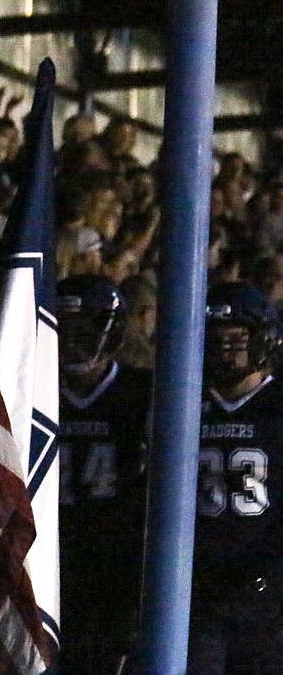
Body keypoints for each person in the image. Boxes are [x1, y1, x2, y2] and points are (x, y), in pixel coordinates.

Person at [55, 274, 151, 675]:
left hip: (115, 560)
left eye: (85, 330)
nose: (74, 340)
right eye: (67, 329)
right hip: (53, 550)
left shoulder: (143, 392)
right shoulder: (33, 388)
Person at [189, 282, 283, 674]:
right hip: (200, 589)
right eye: (215, 340)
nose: (225, 350)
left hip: (269, 593)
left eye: (237, 339)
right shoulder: (183, 401)